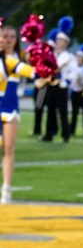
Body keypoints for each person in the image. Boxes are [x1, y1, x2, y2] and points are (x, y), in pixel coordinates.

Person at [0, 24, 37, 204]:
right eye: (4, 36)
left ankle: (6, 188)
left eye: (11, 37)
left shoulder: (18, 58)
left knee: (8, 148)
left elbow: (32, 72)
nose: (7, 40)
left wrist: (45, 67)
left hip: (10, 107)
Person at [41, 16, 76, 142]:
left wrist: (66, 81)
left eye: (61, 41)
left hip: (61, 86)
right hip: (51, 84)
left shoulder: (69, 57)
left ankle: (65, 135)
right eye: (58, 40)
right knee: (50, 109)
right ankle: (49, 134)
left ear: (66, 43)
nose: (59, 42)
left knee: (63, 111)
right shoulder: (52, 55)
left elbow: (73, 71)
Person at [69, 44, 83, 138]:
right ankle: (71, 130)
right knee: (74, 112)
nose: (78, 58)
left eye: (80, 57)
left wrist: (82, 81)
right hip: (75, 91)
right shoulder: (73, 67)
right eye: (77, 56)